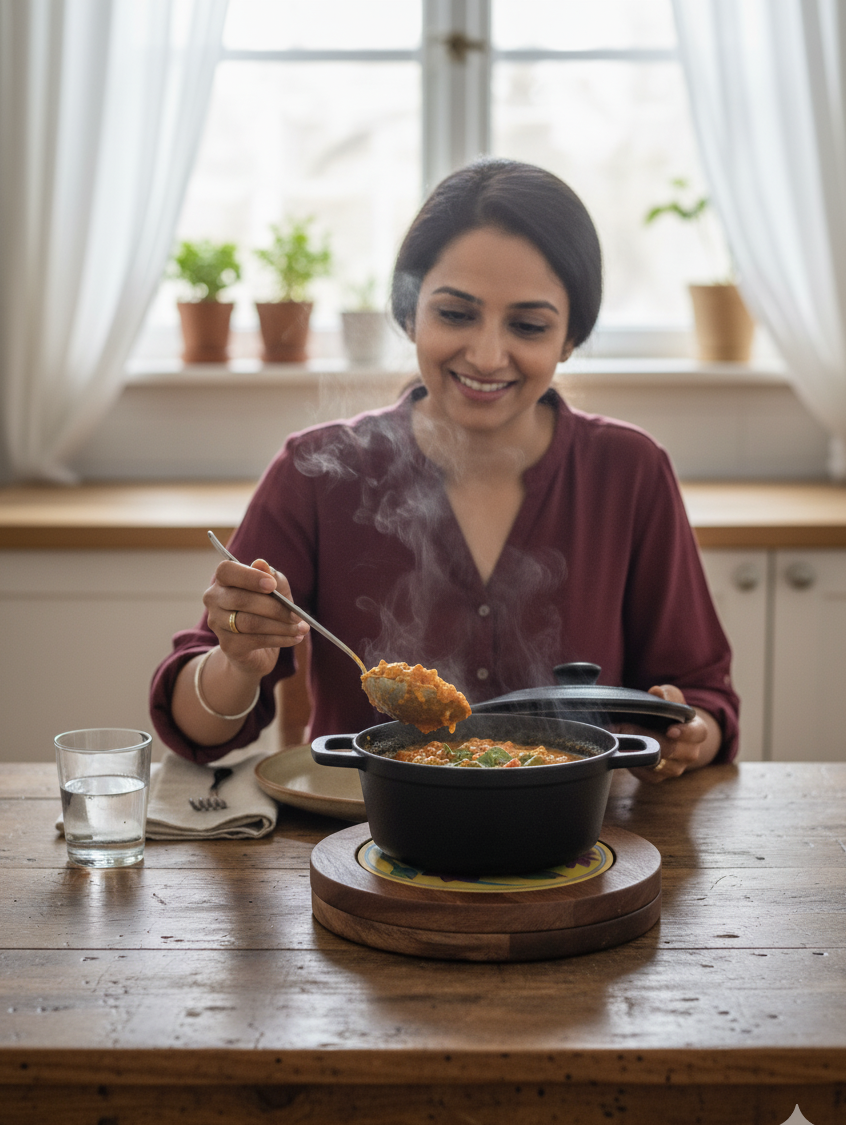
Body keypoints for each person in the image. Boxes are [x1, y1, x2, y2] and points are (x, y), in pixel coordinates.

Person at [151, 159, 738, 782]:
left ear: (570, 339)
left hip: (576, 841)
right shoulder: (315, 472)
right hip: (362, 844)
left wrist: (688, 731)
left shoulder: (629, 471)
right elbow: (197, 735)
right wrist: (239, 661)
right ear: (410, 314)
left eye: (529, 326)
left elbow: (705, 695)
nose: (487, 355)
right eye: (456, 315)